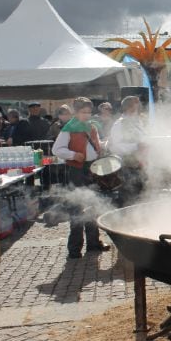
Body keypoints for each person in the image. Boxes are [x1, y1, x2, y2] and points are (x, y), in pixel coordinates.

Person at [51, 97, 110, 259]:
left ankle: (93, 244)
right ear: (76, 112)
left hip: (92, 169)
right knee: (77, 209)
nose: (87, 115)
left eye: (89, 112)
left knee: (93, 206)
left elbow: (95, 145)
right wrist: (73, 154)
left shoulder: (92, 126)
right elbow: (57, 149)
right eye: (84, 112)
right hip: (77, 170)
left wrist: (103, 146)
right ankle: (74, 249)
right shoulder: (68, 128)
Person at [107, 95, 146, 205]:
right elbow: (116, 146)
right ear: (128, 108)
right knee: (129, 194)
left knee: (140, 193)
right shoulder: (119, 124)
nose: (138, 109)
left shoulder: (138, 122)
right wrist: (136, 146)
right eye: (135, 107)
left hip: (139, 163)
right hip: (127, 165)